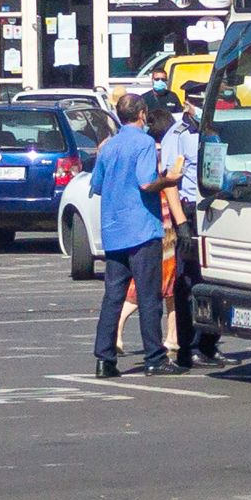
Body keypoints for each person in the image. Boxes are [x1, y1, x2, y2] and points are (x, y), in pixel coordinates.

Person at [89, 91, 175, 378]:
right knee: (150, 297)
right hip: (141, 229)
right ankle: (154, 357)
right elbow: (147, 182)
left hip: (114, 231)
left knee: (113, 295)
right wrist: (169, 179)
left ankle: (104, 359)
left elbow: (98, 185)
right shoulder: (145, 142)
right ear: (142, 114)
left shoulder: (108, 147)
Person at [156, 95, 218, 367]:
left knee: (213, 279)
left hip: (215, 209)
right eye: (198, 102)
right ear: (187, 105)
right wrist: (180, 223)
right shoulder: (177, 134)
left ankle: (209, 344)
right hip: (189, 212)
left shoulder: (214, 130)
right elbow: (169, 180)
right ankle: (188, 346)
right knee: (187, 282)